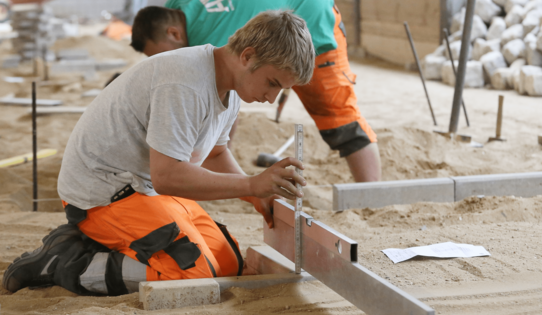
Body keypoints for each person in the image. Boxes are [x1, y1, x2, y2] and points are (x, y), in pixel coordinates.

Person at [2, 10, 314, 296]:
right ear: (248, 56)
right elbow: (167, 177)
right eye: (272, 83)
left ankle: (107, 245)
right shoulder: (186, 83)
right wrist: (249, 184)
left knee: (228, 263)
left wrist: (254, 195)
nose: (272, 98)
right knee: (195, 275)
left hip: (143, 185)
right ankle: (61, 261)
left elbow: (215, 154)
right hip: (102, 192)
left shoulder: (230, 88)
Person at [130, 1, 383, 182]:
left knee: (336, 114)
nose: (165, 64)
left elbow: (221, 105)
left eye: (160, 55)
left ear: (173, 33)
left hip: (314, 18)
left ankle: (372, 197)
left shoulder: (205, 33)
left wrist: (223, 178)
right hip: (279, 33)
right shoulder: (180, 9)